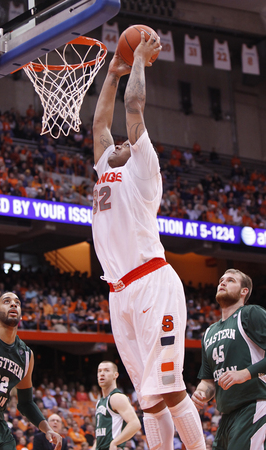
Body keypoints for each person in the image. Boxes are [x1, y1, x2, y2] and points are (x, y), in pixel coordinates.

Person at [91, 32, 205, 450]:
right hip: (118, 293)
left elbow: (132, 108)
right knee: (149, 399)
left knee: (170, 388)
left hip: (152, 283)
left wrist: (137, 59)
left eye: (126, 143)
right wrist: (112, 73)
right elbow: (99, 124)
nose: (118, 143)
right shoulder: (106, 168)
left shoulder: (143, 170)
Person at [0, 291, 62, 450]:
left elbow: (26, 403)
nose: (13, 304)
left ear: (21, 315)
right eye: (7, 301)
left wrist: (48, 429)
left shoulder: (25, 355)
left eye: (17, 303)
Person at [191, 269, 266, 449]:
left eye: (230, 280)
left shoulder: (250, 313)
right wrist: (201, 394)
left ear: (244, 291)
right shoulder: (209, 332)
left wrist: (246, 373)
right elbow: (208, 381)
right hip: (226, 415)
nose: (222, 283)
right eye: (221, 280)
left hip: (254, 405)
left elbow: (242, 374)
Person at [93, 361, 141, 450]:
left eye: (107, 370)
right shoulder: (99, 402)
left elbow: (135, 424)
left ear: (115, 375)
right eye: (99, 371)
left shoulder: (116, 397)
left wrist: (115, 442)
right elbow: (101, 435)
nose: (102, 374)